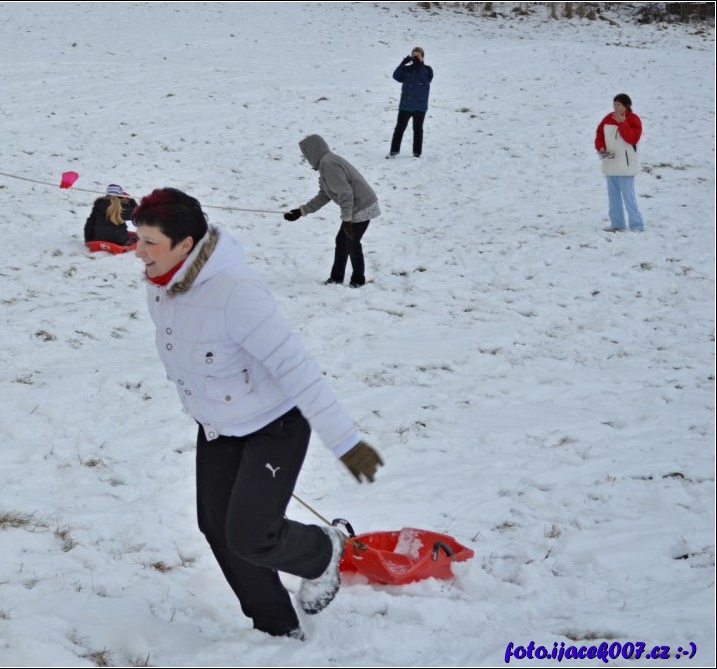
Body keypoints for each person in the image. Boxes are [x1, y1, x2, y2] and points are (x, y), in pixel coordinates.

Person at [133, 187, 384, 640]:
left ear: (185, 245)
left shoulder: (237, 292)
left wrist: (346, 442)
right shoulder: (163, 286)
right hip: (218, 426)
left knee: (252, 534)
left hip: (276, 426)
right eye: (138, 240)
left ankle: (323, 552)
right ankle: (275, 627)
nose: (139, 253)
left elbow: (296, 367)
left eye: (150, 243)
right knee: (216, 527)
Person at [283, 134, 381, 288]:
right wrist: (301, 211)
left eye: (306, 154)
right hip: (355, 207)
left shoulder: (329, 165)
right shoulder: (325, 164)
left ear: (312, 152)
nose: (306, 158)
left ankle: (358, 280)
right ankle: (336, 278)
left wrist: (347, 219)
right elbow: (324, 195)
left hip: (362, 206)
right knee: (342, 241)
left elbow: (345, 193)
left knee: (351, 243)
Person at [595, 93, 645, 232]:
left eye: (618, 105)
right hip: (610, 164)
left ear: (626, 106)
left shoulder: (634, 119)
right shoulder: (607, 118)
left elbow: (632, 139)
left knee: (628, 197)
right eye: (614, 104)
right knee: (613, 198)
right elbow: (599, 135)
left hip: (626, 166)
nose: (615, 107)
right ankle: (617, 224)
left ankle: (637, 225)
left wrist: (622, 123)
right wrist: (601, 148)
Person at [386, 46, 433, 159]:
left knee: (417, 130)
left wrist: (419, 65)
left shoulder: (427, 69)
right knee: (399, 129)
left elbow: (426, 79)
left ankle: (417, 153)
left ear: (423, 57)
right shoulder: (407, 69)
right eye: (414, 55)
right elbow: (396, 76)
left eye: (418, 55)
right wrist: (402, 64)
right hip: (405, 105)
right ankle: (394, 151)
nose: (415, 57)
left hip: (420, 106)